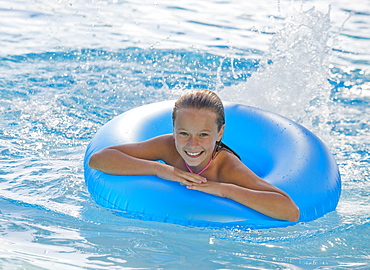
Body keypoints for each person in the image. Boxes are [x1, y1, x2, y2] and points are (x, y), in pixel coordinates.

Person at [89, 89, 300, 222]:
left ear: (220, 133)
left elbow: (290, 210)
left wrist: (225, 189)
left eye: (203, 135)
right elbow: (98, 159)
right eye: (183, 133)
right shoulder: (167, 146)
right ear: (173, 130)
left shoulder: (227, 167)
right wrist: (159, 169)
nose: (192, 144)